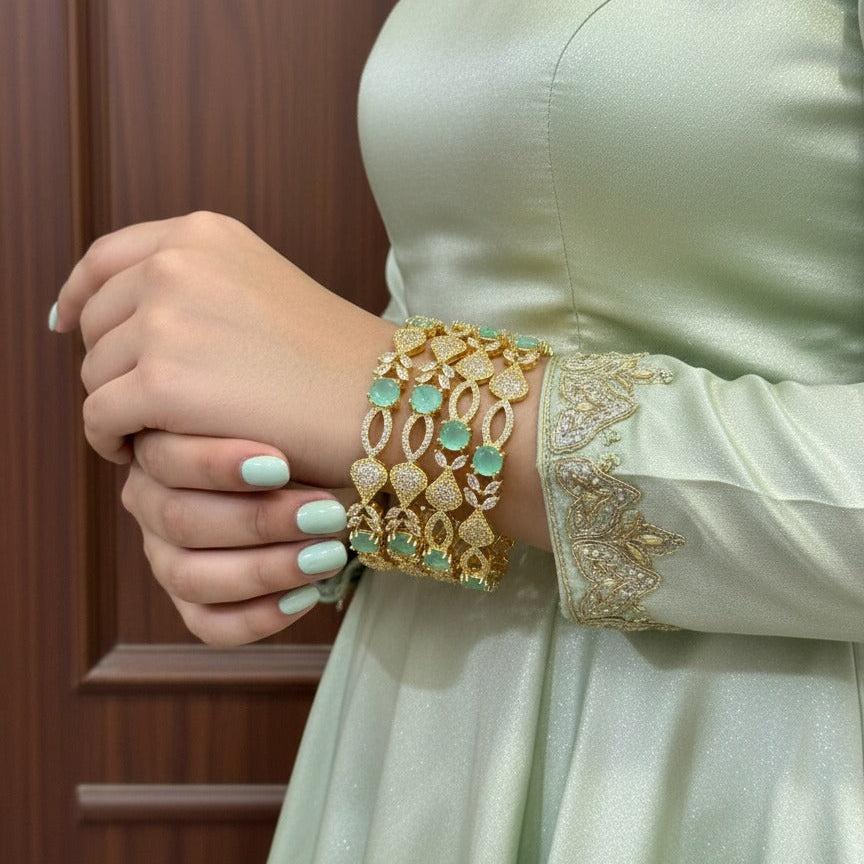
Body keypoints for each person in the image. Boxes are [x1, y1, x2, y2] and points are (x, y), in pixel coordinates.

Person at [51, 1, 864, 861]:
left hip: (761, 761)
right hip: (419, 728)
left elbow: (409, 394)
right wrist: (296, 485)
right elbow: (461, 303)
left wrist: (405, 411)